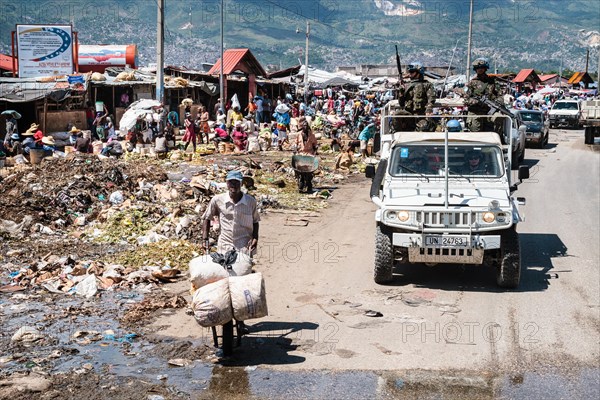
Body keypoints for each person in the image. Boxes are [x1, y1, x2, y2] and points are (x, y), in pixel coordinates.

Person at [201, 170, 259, 256]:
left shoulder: (250, 201)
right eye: (231, 182)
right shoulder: (218, 200)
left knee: (243, 268)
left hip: (245, 245)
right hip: (225, 244)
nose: (233, 185)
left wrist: (255, 238)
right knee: (224, 268)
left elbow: (255, 221)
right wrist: (205, 239)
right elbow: (207, 217)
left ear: (241, 183)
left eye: (236, 182)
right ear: (227, 183)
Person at [393, 61, 436, 132]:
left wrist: (429, 109)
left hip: (421, 115)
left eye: (412, 72)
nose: (410, 74)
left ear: (418, 73)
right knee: (397, 114)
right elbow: (401, 104)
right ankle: (398, 134)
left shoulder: (427, 85)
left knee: (425, 128)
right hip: (408, 113)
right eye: (409, 72)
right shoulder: (406, 86)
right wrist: (401, 92)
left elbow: (431, 98)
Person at [463, 58, 501, 132]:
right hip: (475, 114)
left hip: (488, 113)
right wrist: (477, 102)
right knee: (476, 137)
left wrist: (498, 103)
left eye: (482, 68)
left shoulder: (492, 82)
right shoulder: (472, 83)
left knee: (490, 135)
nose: (480, 70)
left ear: (485, 68)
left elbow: (499, 95)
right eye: (477, 68)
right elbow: (466, 99)